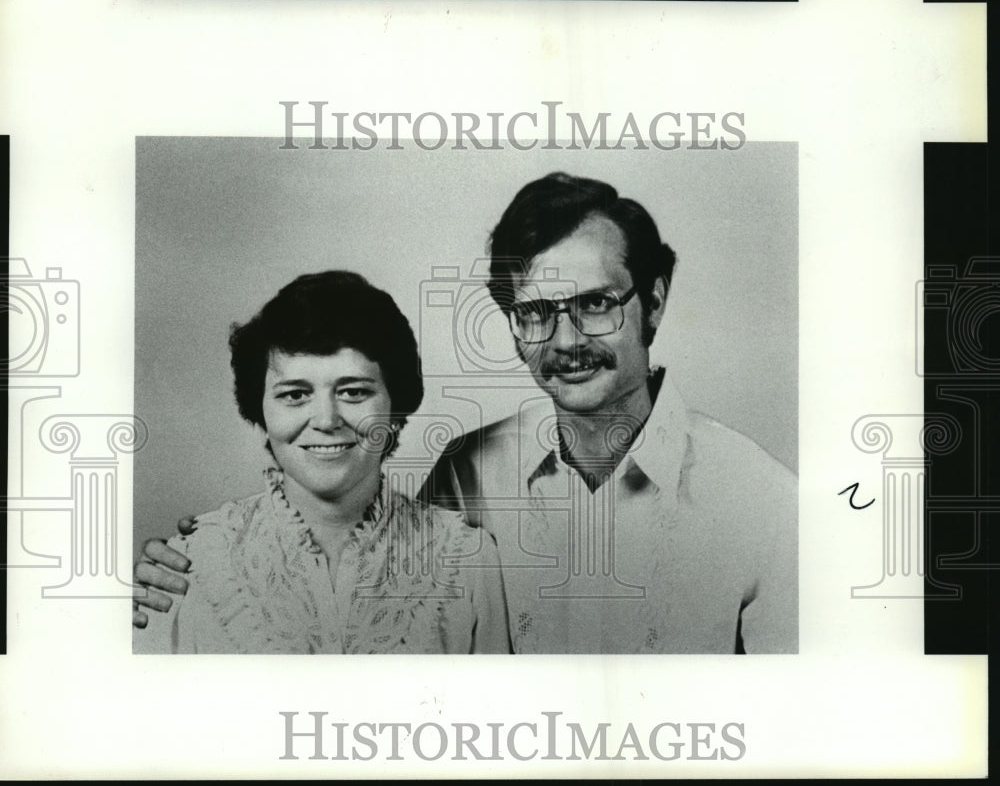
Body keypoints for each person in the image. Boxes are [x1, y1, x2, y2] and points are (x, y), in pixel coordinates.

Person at [136, 173, 796, 654]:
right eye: (535, 313)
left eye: (594, 303)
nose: (565, 342)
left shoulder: (763, 502)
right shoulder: (467, 472)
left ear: (652, 301)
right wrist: (188, 567)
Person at [132, 270, 510, 654]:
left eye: (354, 392)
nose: (327, 420)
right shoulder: (188, 565)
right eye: (295, 395)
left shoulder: (468, 559)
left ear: (395, 407)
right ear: (260, 412)